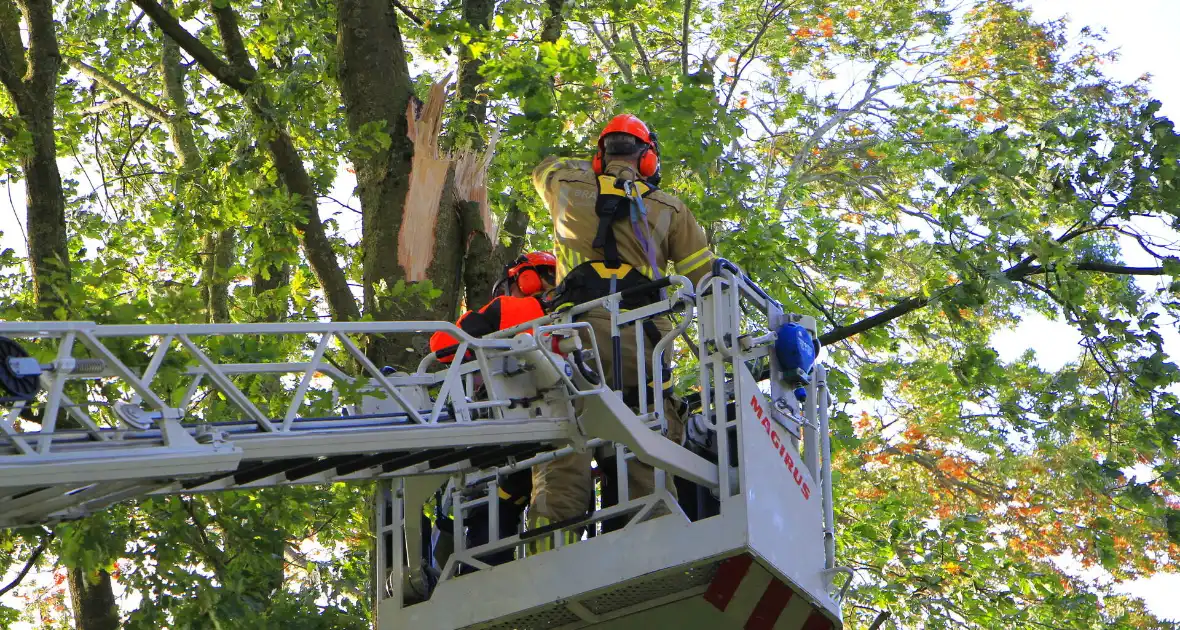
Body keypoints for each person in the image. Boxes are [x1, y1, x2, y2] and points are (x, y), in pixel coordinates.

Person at [529, 114, 716, 545]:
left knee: (563, 436)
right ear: (648, 159)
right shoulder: (670, 209)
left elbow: (544, 168)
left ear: (600, 153)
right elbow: (705, 280)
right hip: (641, 340)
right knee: (644, 437)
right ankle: (642, 543)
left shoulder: (564, 186)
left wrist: (593, 170)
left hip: (569, 338)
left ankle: (551, 547)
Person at [427, 251, 556, 568]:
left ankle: (480, 572)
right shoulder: (582, 313)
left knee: (492, 508)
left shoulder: (510, 308)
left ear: (523, 279)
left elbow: (442, 345)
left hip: (510, 425)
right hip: (564, 430)